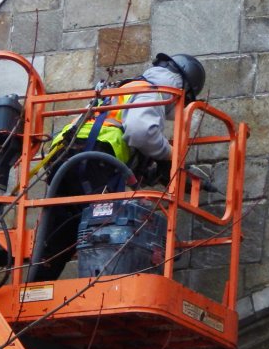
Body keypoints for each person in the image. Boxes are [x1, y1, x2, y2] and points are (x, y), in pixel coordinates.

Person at [27, 53, 206, 282]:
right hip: (98, 159)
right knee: (110, 228)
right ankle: (107, 285)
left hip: (65, 157)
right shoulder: (157, 91)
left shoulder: (122, 88)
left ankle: (35, 287)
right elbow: (142, 132)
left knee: (59, 233)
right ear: (185, 90)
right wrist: (172, 155)